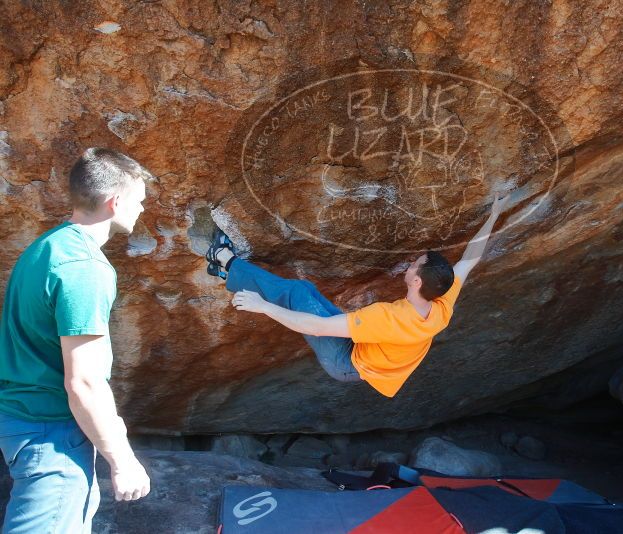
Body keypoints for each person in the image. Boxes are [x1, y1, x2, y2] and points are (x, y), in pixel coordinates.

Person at [206, 193, 510, 397]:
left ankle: (224, 259)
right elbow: (469, 260)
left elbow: (317, 328)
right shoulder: (441, 301)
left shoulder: (389, 318)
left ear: (416, 281)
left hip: (346, 362)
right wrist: (494, 214)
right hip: (369, 349)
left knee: (297, 294)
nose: (410, 263)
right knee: (306, 291)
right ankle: (227, 274)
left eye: (414, 265)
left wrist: (262, 307)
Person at [0, 148, 153, 533]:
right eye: (139, 200)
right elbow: (82, 381)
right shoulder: (85, 269)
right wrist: (123, 460)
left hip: (20, 416)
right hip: (51, 436)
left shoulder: (45, 247)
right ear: (115, 202)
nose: (143, 209)